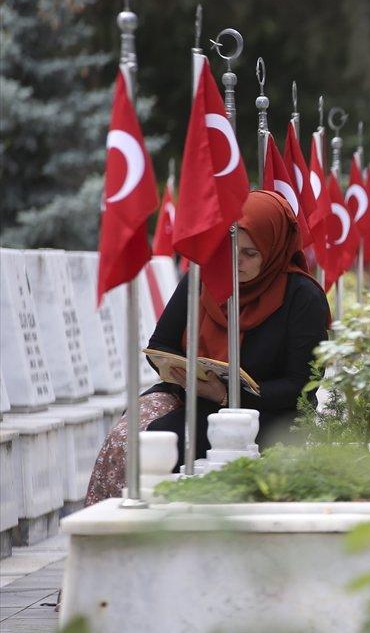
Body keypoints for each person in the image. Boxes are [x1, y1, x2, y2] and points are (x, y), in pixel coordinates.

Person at [85, 190, 331, 503]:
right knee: (130, 438)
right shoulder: (202, 278)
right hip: (195, 397)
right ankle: (113, 534)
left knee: (170, 447)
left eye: (250, 253)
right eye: (231, 249)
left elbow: (301, 389)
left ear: (273, 251)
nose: (235, 262)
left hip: (269, 412)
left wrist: (226, 395)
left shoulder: (302, 297)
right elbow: (161, 344)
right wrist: (187, 373)